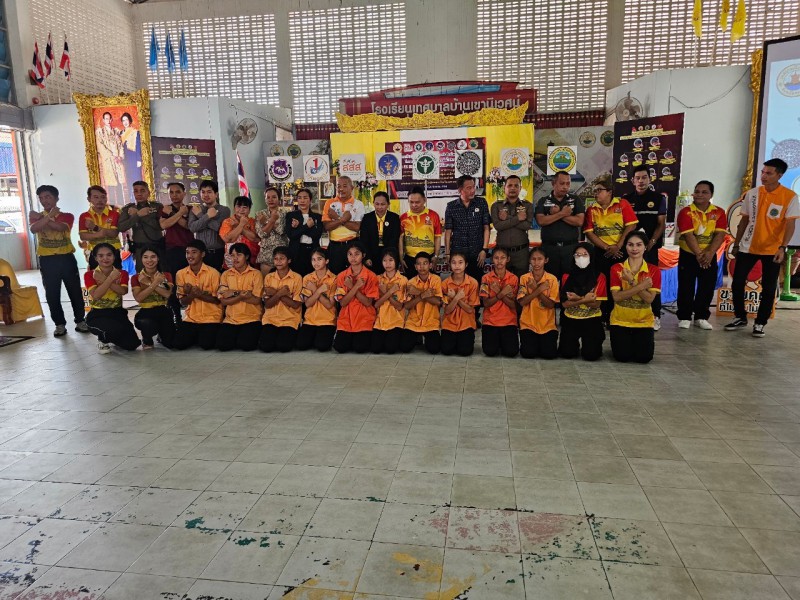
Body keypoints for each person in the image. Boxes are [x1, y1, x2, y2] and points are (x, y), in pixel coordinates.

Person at [726, 158, 799, 337]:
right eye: (763, 172)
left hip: (772, 249)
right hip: (747, 246)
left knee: (768, 286)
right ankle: (740, 316)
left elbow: (790, 225)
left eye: (769, 173)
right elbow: (744, 221)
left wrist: (782, 247)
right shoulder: (752, 194)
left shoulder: (789, 196)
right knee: (737, 281)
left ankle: (760, 322)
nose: (764, 176)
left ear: (779, 175)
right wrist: (737, 244)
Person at [28, 184, 89, 337]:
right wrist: (47, 216)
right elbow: (34, 229)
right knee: (52, 294)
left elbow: (60, 228)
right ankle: (59, 324)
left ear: (56, 198)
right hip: (47, 260)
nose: (44, 200)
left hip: (66, 258)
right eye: (41, 198)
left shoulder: (67, 215)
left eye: (48, 197)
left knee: (75, 291)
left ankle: (80, 321)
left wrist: (43, 218)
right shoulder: (35, 216)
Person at [583, 176, 638, 325]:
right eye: (594, 191)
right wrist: (607, 247)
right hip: (602, 252)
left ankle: (619, 314)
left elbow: (631, 225)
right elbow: (589, 233)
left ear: (609, 192)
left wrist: (618, 245)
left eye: (599, 190)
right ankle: (604, 315)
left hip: (621, 251)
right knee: (603, 282)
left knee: (620, 283)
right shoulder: (591, 209)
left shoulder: (622, 204)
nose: (596, 193)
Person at [676, 180, 728, 330]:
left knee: (707, 286)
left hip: (709, 255)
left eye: (704, 192)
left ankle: (701, 317)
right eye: (697, 191)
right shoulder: (686, 212)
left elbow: (720, 235)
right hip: (688, 254)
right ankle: (685, 316)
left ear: (711, 195)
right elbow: (688, 235)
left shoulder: (719, 212)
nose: (699, 194)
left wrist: (709, 253)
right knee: (686, 286)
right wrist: (699, 255)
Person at [623, 166, 667, 329]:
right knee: (629, 279)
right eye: (638, 178)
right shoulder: (626, 199)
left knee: (651, 280)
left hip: (650, 248)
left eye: (644, 177)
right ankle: (629, 312)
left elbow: (661, 224)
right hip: (630, 249)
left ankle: (655, 315)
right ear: (633, 180)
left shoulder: (659, 198)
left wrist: (652, 242)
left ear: (650, 179)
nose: (641, 181)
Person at [609, 231, 661, 363]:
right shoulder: (616, 268)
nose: (634, 248)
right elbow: (617, 297)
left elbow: (649, 299)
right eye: (630, 244)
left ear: (645, 247)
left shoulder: (654, 270)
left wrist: (631, 282)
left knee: (644, 358)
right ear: (625, 247)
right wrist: (640, 286)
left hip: (644, 322)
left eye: (639, 245)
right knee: (622, 357)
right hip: (620, 321)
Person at [84, 243, 141, 354]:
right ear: (95, 258)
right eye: (101, 256)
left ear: (114, 256)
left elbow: (123, 291)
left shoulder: (122, 273)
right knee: (114, 329)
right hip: (98, 314)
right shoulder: (90, 274)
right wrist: (110, 279)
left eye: (109, 255)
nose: (105, 258)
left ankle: (111, 335)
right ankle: (103, 339)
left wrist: (104, 279)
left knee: (132, 345)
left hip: (117, 312)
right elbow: (96, 295)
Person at [558, 242, 606, 361]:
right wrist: (585, 299)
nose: (581, 258)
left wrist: (576, 298)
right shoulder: (566, 276)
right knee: (567, 353)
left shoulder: (599, 276)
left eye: (585, 255)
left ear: (591, 256)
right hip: (570, 318)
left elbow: (596, 304)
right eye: (577, 255)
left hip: (592, 319)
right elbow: (565, 304)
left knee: (591, 355)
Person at [535, 171, 585, 282]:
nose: (565, 187)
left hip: (570, 249)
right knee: (549, 282)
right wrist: (563, 214)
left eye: (568, 183)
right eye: (562, 183)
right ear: (553, 184)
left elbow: (579, 221)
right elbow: (541, 221)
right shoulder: (543, 201)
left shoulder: (575, 200)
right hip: (549, 249)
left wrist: (557, 214)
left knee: (570, 282)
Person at [173, 239, 223, 350]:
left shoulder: (214, 273)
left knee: (206, 345)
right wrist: (191, 295)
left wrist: (199, 295)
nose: (190, 256)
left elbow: (217, 300)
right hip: (191, 318)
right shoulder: (180, 274)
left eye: (194, 252)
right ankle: (197, 336)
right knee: (178, 344)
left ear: (203, 254)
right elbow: (182, 302)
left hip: (211, 318)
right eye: (187, 252)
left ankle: (200, 336)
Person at [333, 240, 379, 353]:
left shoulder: (371, 276)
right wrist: (355, 287)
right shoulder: (341, 276)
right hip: (346, 318)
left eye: (357, 254)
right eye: (350, 254)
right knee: (340, 348)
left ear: (363, 255)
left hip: (364, 318)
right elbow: (342, 303)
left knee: (360, 348)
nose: (353, 257)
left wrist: (352, 287)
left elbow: (368, 302)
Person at [216, 243, 263, 352]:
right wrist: (242, 295)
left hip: (251, 318)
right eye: (232, 255)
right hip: (231, 319)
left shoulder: (256, 274)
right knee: (222, 346)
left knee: (246, 346)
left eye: (239, 255)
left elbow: (256, 300)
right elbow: (223, 301)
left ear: (246, 256)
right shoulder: (226, 274)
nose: (235, 258)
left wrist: (233, 293)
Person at [445, 175, 491, 284]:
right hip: (458, 254)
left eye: (473, 187)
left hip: (477, 253)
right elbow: (448, 231)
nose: (473, 190)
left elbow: (486, 228)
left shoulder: (481, 203)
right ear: (460, 190)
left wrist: (484, 250)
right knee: (459, 283)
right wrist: (447, 253)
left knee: (477, 283)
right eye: (469, 188)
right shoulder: (451, 206)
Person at [518, 247, 560, 359]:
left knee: (549, 355)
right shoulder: (524, 278)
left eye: (540, 259)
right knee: (528, 353)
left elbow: (551, 305)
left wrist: (535, 290)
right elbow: (522, 302)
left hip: (547, 325)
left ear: (546, 260)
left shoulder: (552, 279)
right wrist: (538, 289)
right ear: (529, 260)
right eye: (533, 259)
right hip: (528, 324)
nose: (536, 263)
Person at [259, 246, 303, 352]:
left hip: (290, 319)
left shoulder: (297, 278)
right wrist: (279, 293)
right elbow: (267, 304)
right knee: (266, 347)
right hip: (270, 319)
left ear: (289, 260)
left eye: (282, 258)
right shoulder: (269, 277)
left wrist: (275, 293)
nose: (278, 261)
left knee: (283, 347)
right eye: (276, 258)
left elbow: (295, 304)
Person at [160, 182, 193, 324]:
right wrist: (178, 213)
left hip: (189, 251)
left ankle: (192, 314)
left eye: (178, 192)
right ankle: (176, 315)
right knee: (172, 284)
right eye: (171, 192)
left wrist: (173, 214)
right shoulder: (165, 209)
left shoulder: (190, 209)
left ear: (184, 193)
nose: (174, 195)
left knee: (189, 283)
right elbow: (163, 225)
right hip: (171, 251)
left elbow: (187, 225)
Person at [131, 247, 175, 349]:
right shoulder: (136, 277)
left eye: (153, 257)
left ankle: (161, 335)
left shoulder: (166, 275)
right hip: (145, 312)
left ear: (158, 258)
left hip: (163, 310)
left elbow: (167, 294)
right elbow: (139, 298)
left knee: (172, 344)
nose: (149, 260)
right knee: (147, 325)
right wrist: (155, 283)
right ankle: (147, 339)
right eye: (145, 257)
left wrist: (148, 283)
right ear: (141, 259)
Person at [480, 247, 519, 357]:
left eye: (503, 258)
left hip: (509, 321)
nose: (499, 261)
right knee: (490, 351)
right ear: (492, 259)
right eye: (496, 258)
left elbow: (514, 305)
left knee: (511, 352)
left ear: (508, 259)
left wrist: (498, 292)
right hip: (490, 321)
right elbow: (486, 304)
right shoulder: (486, 278)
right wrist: (501, 293)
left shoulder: (514, 279)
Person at [491, 175, 534, 276]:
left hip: (521, 253)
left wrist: (507, 218)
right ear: (504, 187)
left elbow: (527, 225)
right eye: (510, 185)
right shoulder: (496, 206)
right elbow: (498, 226)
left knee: (521, 281)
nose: (513, 188)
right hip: (502, 253)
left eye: (516, 186)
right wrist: (518, 218)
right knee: (503, 281)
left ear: (520, 188)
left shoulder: (527, 205)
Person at [118, 181, 164, 271]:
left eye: (142, 191)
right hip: (139, 248)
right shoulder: (128, 208)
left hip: (157, 246)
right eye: (136, 191)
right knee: (141, 274)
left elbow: (160, 226)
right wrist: (138, 215)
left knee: (160, 273)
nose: (139, 194)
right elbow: (121, 227)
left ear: (148, 193)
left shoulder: (157, 206)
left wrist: (142, 216)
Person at [401, 252, 443, 354]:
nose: (422, 266)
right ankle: (417, 336)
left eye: (425, 263)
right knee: (405, 347)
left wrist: (418, 292)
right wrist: (422, 295)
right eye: (419, 264)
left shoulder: (436, 279)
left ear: (430, 265)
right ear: (415, 267)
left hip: (431, 322)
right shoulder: (411, 282)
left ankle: (422, 336)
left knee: (434, 349)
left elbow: (438, 302)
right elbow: (407, 306)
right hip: (413, 322)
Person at [297, 247, 337, 352]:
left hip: (327, 320)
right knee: (301, 345)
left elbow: (329, 305)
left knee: (322, 346)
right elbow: (307, 304)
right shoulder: (307, 278)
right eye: (313, 260)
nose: (316, 262)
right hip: (310, 320)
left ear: (326, 261)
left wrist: (314, 289)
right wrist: (319, 291)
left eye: (319, 259)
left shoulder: (334, 279)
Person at [322, 176, 365, 274]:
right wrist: (343, 219)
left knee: (354, 274)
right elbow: (327, 226)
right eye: (338, 186)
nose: (341, 189)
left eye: (345, 186)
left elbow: (356, 227)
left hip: (352, 245)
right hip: (334, 246)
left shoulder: (358, 204)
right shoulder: (329, 203)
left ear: (352, 188)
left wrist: (336, 217)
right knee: (335, 275)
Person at [440, 252, 479, 356]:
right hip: (449, 323)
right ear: (450, 264)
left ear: (466, 264)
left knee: (465, 351)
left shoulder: (473, 283)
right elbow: (447, 310)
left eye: (460, 262)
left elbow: (470, 309)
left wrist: (455, 298)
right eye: (454, 263)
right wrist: (456, 297)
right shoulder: (444, 284)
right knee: (446, 350)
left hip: (466, 323)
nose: (457, 266)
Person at [399, 187, 442, 279]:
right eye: (411, 202)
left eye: (417, 202)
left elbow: (437, 237)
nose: (414, 205)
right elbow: (400, 239)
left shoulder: (433, 215)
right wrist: (401, 258)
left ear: (424, 200)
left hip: (429, 258)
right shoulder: (403, 217)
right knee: (411, 284)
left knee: (430, 284)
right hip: (410, 259)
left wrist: (436, 256)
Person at [188, 180, 230, 272]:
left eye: (209, 192)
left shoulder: (224, 210)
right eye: (203, 192)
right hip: (199, 253)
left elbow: (218, 228)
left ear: (216, 194)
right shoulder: (195, 209)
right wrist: (207, 216)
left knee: (217, 277)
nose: (206, 195)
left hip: (217, 252)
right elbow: (193, 228)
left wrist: (200, 215)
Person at [371, 248, 408, 354]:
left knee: (390, 349)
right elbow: (376, 304)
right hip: (380, 321)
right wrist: (390, 292)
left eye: (391, 260)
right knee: (375, 349)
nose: (387, 264)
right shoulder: (378, 279)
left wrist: (385, 293)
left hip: (396, 321)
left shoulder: (403, 280)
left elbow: (399, 306)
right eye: (384, 260)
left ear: (396, 261)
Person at [79, 185, 122, 270]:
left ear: (106, 198)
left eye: (103, 197)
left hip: (113, 252)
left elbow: (114, 233)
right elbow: (83, 236)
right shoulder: (84, 216)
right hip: (95, 253)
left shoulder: (115, 214)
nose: (100, 200)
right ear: (89, 199)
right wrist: (101, 234)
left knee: (116, 277)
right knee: (96, 277)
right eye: (96, 197)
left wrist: (95, 228)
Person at [361, 191, 401, 275]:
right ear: (373, 203)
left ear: (388, 204)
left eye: (383, 204)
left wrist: (390, 258)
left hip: (389, 256)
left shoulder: (394, 218)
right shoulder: (367, 218)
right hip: (372, 256)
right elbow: (364, 240)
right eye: (377, 204)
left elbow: (394, 240)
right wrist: (367, 257)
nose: (379, 207)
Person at [286, 188, 323, 276]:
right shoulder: (291, 215)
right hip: (296, 251)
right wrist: (306, 226)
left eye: (305, 198)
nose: (302, 200)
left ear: (310, 200)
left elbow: (316, 235)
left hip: (312, 250)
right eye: (299, 198)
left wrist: (299, 226)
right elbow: (291, 235)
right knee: (296, 276)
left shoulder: (317, 217)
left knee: (312, 276)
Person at [255, 187, 289, 276]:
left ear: (279, 199)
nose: (271, 200)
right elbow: (262, 234)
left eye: (274, 197)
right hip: (266, 254)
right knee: (266, 281)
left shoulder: (285, 214)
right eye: (268, 197)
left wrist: (267, 222)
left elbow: (281, 230)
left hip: (281, 252)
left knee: (283, 280)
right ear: (265, 199)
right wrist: (272, 221)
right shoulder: (260, 214)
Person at [219, 196, 260, 269]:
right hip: (230, 263)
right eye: (238, 206)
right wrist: (241, 225)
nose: (241, 210)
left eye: (245, 207)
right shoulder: (228, 221)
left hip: (251, 261)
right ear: (234, 208)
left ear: (249, 210)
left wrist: (238, 225)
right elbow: (227, 239)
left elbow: (254, 238)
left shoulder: (253, 222)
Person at [94, 112, 125, 205]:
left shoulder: (115, 131)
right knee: (111, 183)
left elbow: (120, 145)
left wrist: (120, 156)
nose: (108, 120)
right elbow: (101, 146)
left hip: (117, 160)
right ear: (103, 120)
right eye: (106, 119)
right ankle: (111, 205)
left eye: (109, 118)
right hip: (108, 160)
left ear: (111, 119)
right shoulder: (100, 132)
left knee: (119, 183)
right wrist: (112, 156)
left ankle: (121, 204)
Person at [119, 112, 142, 199]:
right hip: (125, 159)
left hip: (133, 157)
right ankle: (131, 198)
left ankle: (138, 197)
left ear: (130, 121)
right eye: (123, 120)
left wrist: (139, 159)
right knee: (128, 178)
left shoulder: (135, 132)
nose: (125, 122)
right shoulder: (121, 133)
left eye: (126, 120)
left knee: (136, 177)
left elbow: (138, 146)